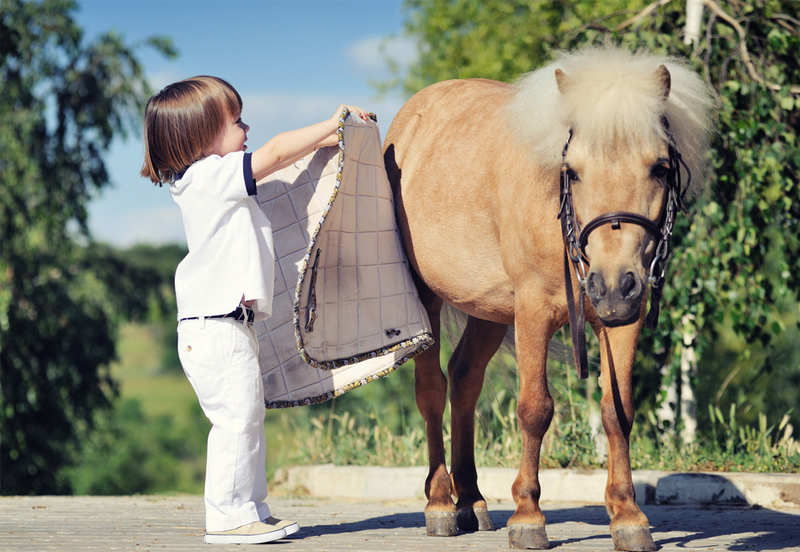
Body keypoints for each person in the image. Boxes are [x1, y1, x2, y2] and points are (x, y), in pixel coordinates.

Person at [140, 75, 368, 544]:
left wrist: (331, 137)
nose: (248, 128)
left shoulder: (210, 182)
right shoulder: (208, 177)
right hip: (214, 329)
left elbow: (282, 160)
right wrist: (332, 121)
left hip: (227, 327)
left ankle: (250, 508)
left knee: (248, 419)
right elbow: (280, 151)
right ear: (203, 138)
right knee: (235, 422)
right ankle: (227, 516)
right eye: (237, 121)